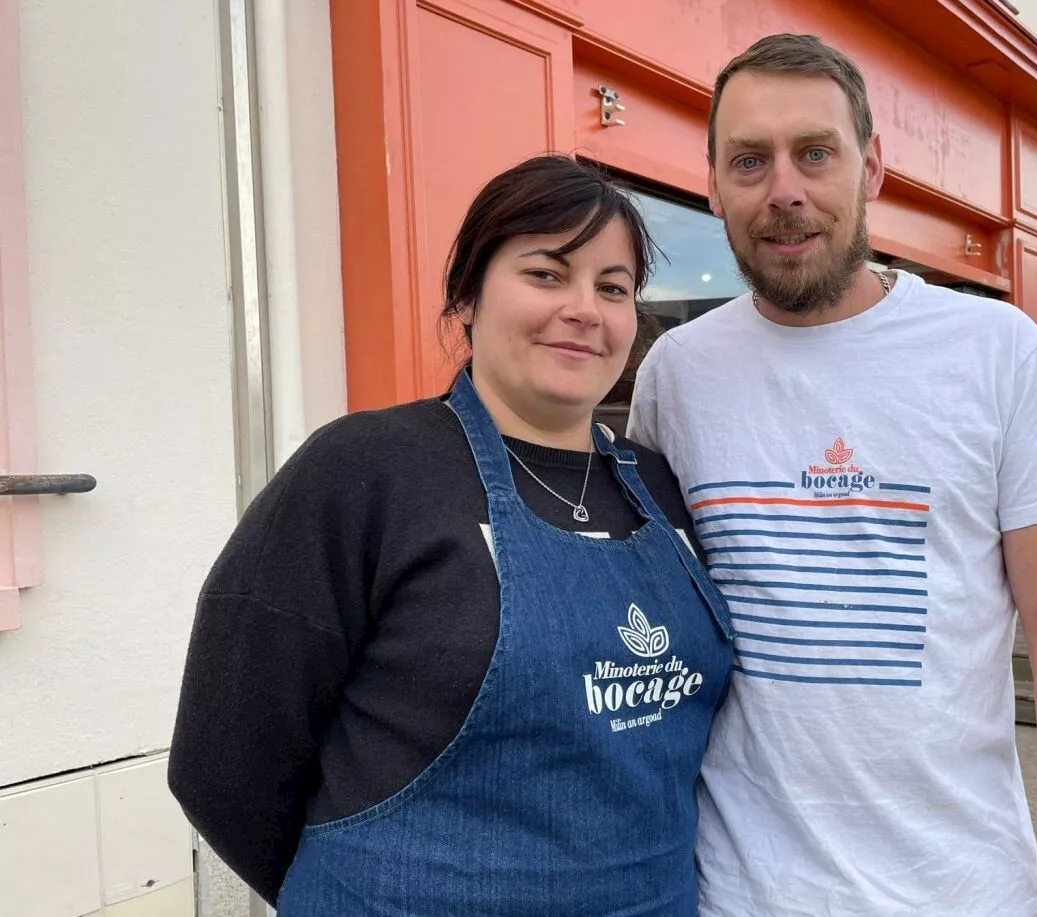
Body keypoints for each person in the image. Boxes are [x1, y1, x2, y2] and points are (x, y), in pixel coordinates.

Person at [627, 34, 1037, 917]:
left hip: (960, 890)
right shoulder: (676, 373)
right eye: (750, 160)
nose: (784, 189)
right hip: (736, 894)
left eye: (814, 153)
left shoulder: (995, 350)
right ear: (712, 185)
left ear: (874, 167)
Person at [168, 154, 735, 916]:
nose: (583, 308)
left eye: (613, 287)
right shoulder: (366, 470)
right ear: (467, 297)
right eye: (545, 274)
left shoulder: (663, 486)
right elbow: (224, 756)